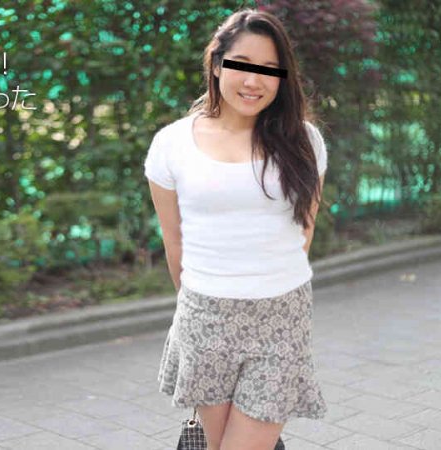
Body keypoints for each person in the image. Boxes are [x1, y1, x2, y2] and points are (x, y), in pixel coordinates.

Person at [144, 8, 329, 450]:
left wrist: (265, 282)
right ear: (216, 64)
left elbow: (304, 230)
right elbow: (175, 241)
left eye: (268, 69)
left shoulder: (304, 142)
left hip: (281, 317)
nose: (253, 80)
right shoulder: (172, 144)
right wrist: (205, 300)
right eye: (242, 64)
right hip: (205, 318)